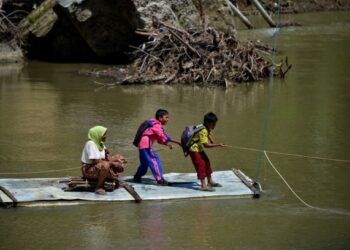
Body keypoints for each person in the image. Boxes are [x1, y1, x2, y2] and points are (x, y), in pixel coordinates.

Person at [133, 109, 181, 185]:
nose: (167, 120)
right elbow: (164, 136)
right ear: (160, 118)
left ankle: (137, 176)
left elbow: (160, 139)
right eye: (166, 117)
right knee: (155, 160)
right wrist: (178, 142)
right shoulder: (157, 125)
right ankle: (160, 179)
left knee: (144, 163)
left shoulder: (152, 123)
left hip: (142, 145)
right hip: (146, 145)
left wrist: (167, 144)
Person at [81, 126, 127, 195]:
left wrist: (118, 159)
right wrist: (113, 163)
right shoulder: (90, 144)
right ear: (98, 135)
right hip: (88, 170)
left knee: (119, 157)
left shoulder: (101, 144)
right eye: (104, 134)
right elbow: (95, 161)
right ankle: (99, 187)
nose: (106, 136)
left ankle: (114, 180)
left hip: (98, 166)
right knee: (106, 165)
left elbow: (107, 158)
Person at [188, 112, 225, 191]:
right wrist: (218, 145)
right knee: (201, 165)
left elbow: (208, 133)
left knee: (207, 162)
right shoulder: (203, 131)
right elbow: (206, 145)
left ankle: (210, 181)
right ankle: (203, 185)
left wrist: (211, 139)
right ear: (208, 123)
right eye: (213, 124)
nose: (215, 125)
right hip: (193, 149)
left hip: (198, 148)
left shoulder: (203, 126)